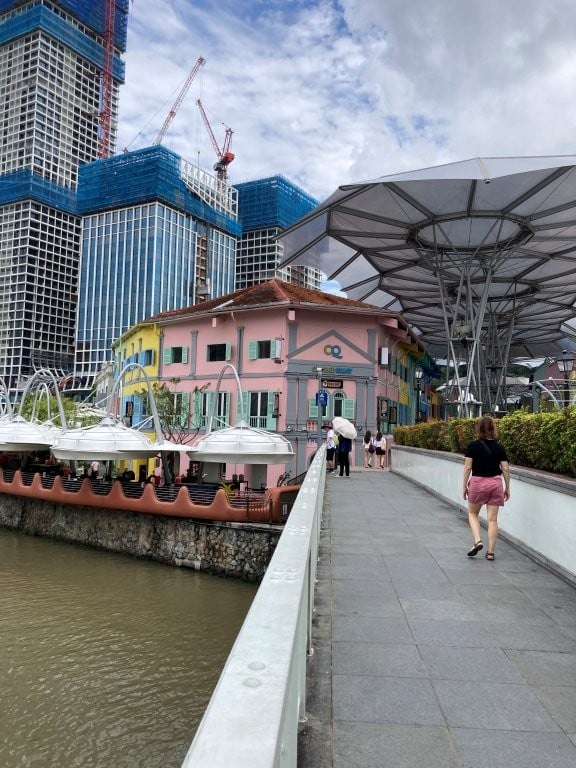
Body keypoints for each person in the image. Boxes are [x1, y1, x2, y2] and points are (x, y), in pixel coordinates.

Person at [463, 415, 510, 561]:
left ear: (479, 428)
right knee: (492, 520)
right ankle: (490, 552)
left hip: (478, 483)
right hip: (495, 483)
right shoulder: (499, 447)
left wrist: (464, 484)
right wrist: (507, 487)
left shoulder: (473, 445)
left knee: (472, 514)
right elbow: (505, 468)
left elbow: (467, 467)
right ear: (493, 428)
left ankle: (478, 540)